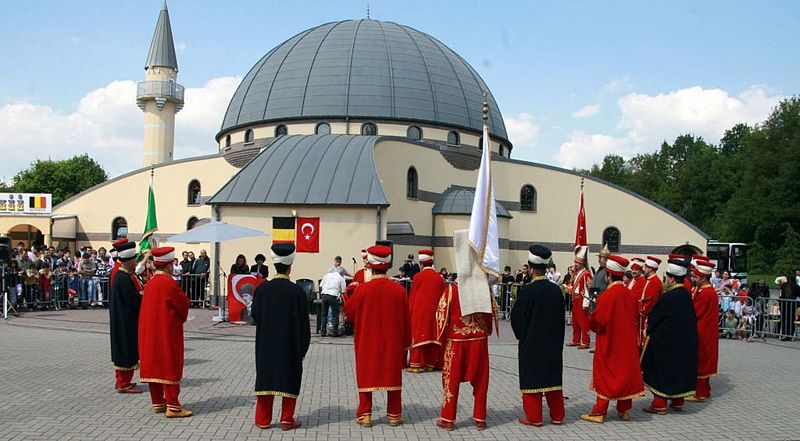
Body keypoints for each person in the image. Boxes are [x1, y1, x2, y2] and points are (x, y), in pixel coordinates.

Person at [343, 245, 410, 428]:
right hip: (392, 341)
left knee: (367, 373)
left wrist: (347, 294)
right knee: (392, 375)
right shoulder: (400, 291)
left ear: (371, 265)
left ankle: (365, 414)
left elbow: (349, 313)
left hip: (367, 340)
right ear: (388, 265)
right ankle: (394, 414)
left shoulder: (363, 290)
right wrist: (406, 344)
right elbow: (407, 319)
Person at [251, 244, 310, 431]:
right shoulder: (297, 292)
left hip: (266, 344)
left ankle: (262, 419)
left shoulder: (262, 289)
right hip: (289, 344)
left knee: (266, 377)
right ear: (290, 266)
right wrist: (302, 348)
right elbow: (304, 323)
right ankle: (286, 418)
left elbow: (255, 315)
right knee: (290, 377)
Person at [580, 255, 644, 424]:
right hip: (627, 342)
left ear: (609, 276)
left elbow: (598, 323)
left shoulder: (607, 296)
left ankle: (599, 412)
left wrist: (590, 316)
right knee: (625, 373)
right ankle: (624, 410)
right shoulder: (630, 295)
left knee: (605, 375)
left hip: (609, 342)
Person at [512, 245, 565, 427]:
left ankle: (534, 417)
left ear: (532, 268)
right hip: (552, 343)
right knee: (553, 379)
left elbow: (517, 319)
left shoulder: (527, 291)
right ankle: (558, 416)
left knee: (532, 379)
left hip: (532, 343)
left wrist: (521, 335)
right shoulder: (556, 291)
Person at [139, 247, 192, 418]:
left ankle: (158, 402)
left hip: (150, 333)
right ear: (169, 266)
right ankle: (173, 406)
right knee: (170, 366)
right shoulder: (169, 283)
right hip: (166, 332)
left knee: (154, 367)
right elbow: (182, 304)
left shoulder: (150, 283)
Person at [435, 275, 493, 431]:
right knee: (481, 380)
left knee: (451, 379)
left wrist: (442, 337)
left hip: (456, 341)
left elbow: (441, 314)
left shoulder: (452, 290)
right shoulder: (484, 289)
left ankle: (448, 419)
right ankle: (480, 418)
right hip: (479, 340)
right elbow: (491, 313)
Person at [641, 257, 698, 415]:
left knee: (660, 369)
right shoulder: (686, 296)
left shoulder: (668, 297)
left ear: (672, 278)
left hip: (666, 342)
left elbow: (655, 316)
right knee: (678, 369)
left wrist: (648, 329)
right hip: (683, 342)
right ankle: (678, 401)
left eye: (667, 277)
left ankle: (659, 403)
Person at [108, 241, 142, 394]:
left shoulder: (125, 275)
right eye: (134, 260)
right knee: (126, 350)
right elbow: (133, 300)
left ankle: (124, 381)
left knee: (126, 349)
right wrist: (144, 296)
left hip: (125, 318)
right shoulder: (122, 278)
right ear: (128, 261)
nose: (136, 263)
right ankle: (123, 383)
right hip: (125, 320)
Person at [407, 249, 445, 373]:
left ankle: (417, 364)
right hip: (435, 311)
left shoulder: (418, 277)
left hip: (420, 311)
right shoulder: (439, 278)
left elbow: (413, 296)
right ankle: (431, 364)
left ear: (422, 263)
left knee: (419, 336)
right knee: (433, 336)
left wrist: (410, 311)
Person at [688, 259, 718, 402]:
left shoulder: (706, 293)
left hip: (703, 330)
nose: (693, 279)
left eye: (696, 277)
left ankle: (700, 393)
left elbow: (695, 312)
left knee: (701, 360)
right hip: (704, 329)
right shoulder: (704, 290)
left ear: (704, 277)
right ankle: (704, 390)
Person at [567, 246, 592, 349]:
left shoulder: (586, 274)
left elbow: (588, 289)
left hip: (582, 300)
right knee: (576, 321)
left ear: (581, 263)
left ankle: (586, 341)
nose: (575, 264)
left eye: (577, 263)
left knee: (583, 322)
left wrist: (586, 303)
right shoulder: (577, 273)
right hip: (575, 299)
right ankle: (576, 340)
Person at [638, 256, 663, 350]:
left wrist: (642, 311)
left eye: (646, 267)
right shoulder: (649, 280)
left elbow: (651, 301)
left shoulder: (655, 282)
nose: (644, 269)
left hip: (648, 316)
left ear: (651, 268)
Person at [319, 267, 346, 337]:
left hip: (324, 295)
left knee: (324, 314)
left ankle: (323, 332)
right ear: (342, 273)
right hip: (333, 296)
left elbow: (321, 285)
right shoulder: (341, 278)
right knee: (335, 314)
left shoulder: (326, 275)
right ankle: (335, 332)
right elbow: (343, 290)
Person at [778, 273, 800, 341]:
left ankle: (785, 334)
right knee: (790, 320)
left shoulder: (784, 285)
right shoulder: (796, 285)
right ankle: (790, 334)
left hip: (784, 304)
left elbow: (782, 294)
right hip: (792, 305)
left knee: (785, 320)